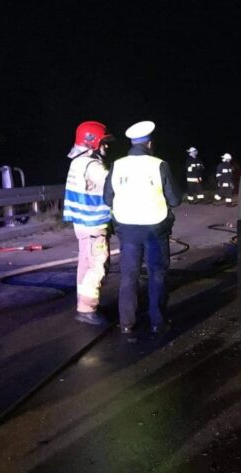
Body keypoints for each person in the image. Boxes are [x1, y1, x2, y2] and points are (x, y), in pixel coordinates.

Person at [103, 120, 182, 336]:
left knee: (129, 275)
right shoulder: (159, 165)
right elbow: (175, 199)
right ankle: (158, 322)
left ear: (132, 143)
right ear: (149, 143)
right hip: (155, 229)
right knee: (157, 274)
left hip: (127, 230)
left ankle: (126, 323)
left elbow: (107, 198)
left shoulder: (117, 165)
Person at [64, 121, 113, 325]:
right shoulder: (93, 166)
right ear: (92, 142)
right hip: (94, 224)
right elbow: (112, 186)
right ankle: (87, 309)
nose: (106, 146)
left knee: (85, 264)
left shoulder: (77, 162)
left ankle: (82, 303)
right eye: (103, 142)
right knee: (98, 265)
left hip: (82, 223)